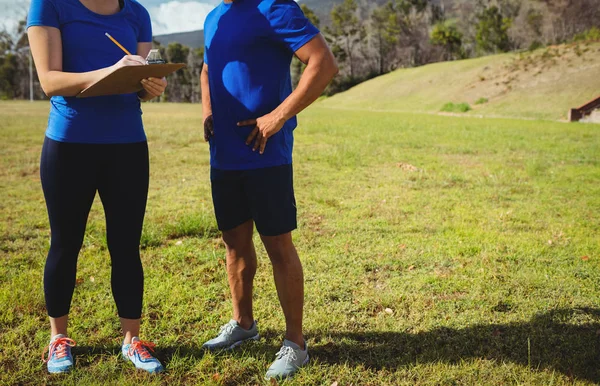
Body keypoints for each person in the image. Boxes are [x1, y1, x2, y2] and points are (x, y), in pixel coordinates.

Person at [27, 0, 167, 374]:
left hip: (127, 146)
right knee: (65, 243)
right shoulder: (50, 6)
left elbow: (136, 80)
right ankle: (58, 338)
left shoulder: (136, 13)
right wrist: (112, 69)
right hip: (69, 144)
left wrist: (150, 85)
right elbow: (50, 81)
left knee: (126, 245)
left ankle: (131, 339)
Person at [200, 0, 338, 380]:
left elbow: (323, 63)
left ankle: (296, 344)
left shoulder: (274, 7)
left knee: (278, 246)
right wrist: (208, 112)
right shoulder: (215, 17)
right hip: (224, 157)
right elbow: (208, 67)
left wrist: (278, 115)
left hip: (266, 157)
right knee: (235, 244)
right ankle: (243, 324)